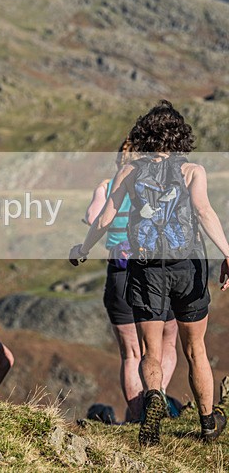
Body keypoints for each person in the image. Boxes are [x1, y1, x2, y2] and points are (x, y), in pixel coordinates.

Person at [71, 100, 228, 446]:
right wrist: (228, 253)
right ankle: (207, 422)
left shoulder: (129, 172)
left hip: (145, 270)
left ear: (145, 134)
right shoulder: (192, 171)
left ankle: (152, 397)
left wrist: (82, 250)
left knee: (150, 352)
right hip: (187, 266)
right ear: (179, 136)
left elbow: (106, 219)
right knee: (195, 348)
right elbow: (203, 212)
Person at [84, 138, 178, 423]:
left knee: (131, 353)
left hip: (121, 270)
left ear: (117, 160)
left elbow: (91, 218)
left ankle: (139, 417)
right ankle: (156, 398)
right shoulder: (154, 184)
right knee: (167, 343)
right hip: (156, 272)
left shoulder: (108, 186)